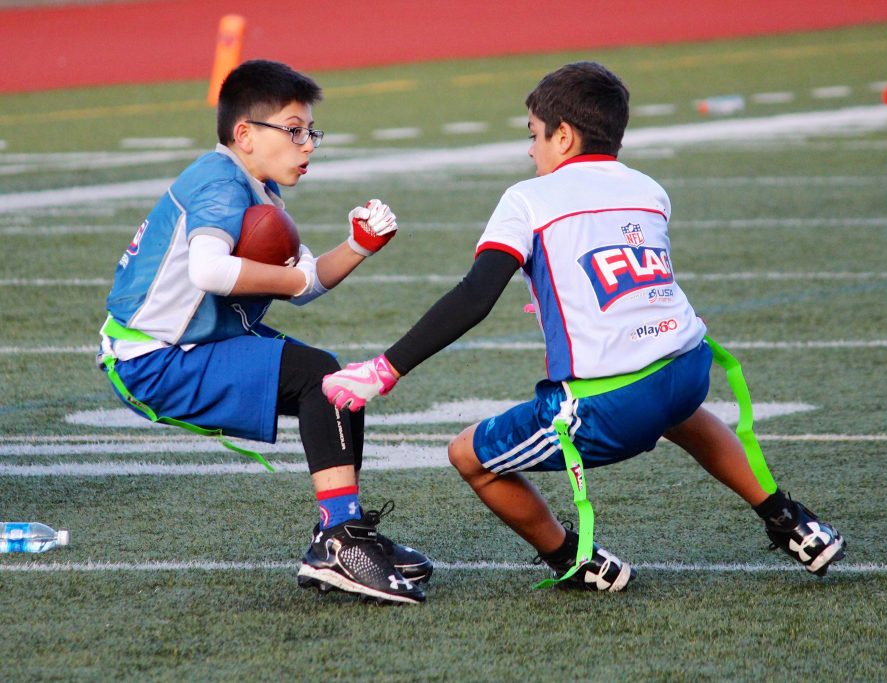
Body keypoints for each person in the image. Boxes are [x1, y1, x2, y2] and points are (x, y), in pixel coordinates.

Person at [321, 62, 846, 591]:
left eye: (533, 135)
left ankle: (574, 559)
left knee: (469, 456)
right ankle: (790, 520)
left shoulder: (528, 197)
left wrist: (385, 368)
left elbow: (475, 296)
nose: (530, 150)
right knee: (677, 407)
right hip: (688, 370)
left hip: (607, 403)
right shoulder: (649, 190)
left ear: (564, 136)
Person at [97, 59, 430, 604]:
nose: (309, 145)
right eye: (294, 131)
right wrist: (295, 272)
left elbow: (303, 287)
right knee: (321, 377)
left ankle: (344, 531)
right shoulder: (221, 180)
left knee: (339, 385)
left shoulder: (258, 189)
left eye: (311, 132)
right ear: (245, 135)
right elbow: (208, 270)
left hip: (192, 344)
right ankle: (339, 538)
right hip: (155, 358)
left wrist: (358, 248)